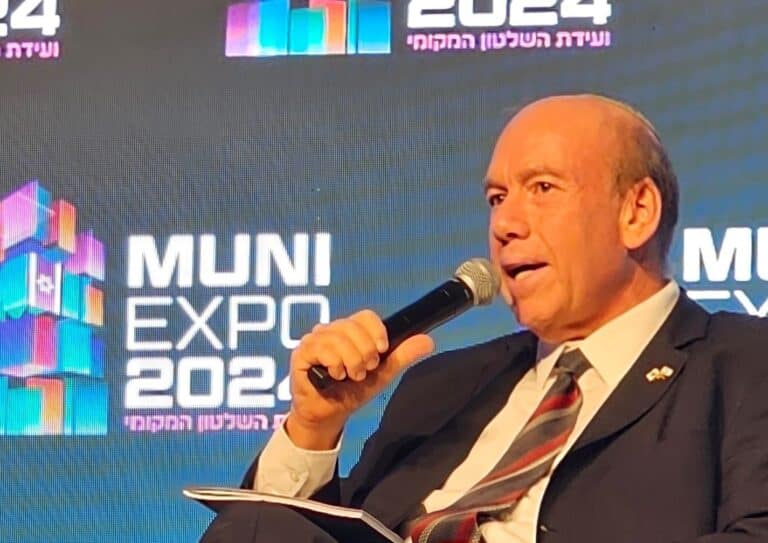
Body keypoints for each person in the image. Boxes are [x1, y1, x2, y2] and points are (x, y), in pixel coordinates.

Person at [200, 95, 768, 542]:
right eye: (497, 198)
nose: (505, 224)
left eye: (542, 188)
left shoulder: (744, 362)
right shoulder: (443, 385)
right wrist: (314, 427)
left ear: (636, 212)